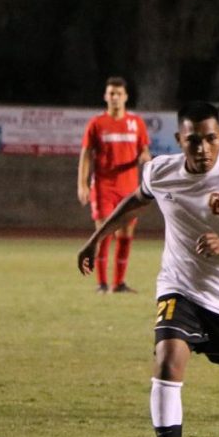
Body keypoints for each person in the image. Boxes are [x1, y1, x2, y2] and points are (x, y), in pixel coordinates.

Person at [76, 101, 219, 437]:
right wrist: (98, 239)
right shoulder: (162, 170)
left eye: (210, 139)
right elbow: (136, 199)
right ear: (179, 140)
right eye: (193, 140)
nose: (202, 147)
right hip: (179, 287)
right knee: (168, 359)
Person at [77, 76, 151, 294]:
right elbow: (86, 154)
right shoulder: (97, 124)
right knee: (103, 232)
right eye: (111, 93)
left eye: (119, 93)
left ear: (126, 97)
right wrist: (82, 184)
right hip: (103, 187)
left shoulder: (136, 123)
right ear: (105, 96)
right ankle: (101, 283)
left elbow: (144, 150)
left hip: (129, 188)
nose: (115, 97)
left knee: (126, 234)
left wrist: (145, 158)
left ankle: (119, 283)